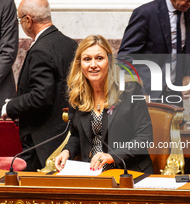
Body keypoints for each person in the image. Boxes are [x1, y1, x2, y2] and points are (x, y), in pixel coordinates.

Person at [55, 35, 153, 173]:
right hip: (91, 172)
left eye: (99, 58)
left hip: (128, 171)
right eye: (87, 59)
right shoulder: (77, 95)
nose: (93, 64)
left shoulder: (130, 90)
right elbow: (76, 135)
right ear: (80, 64)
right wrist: (67, 151)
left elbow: (145, 137)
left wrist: (112, 156)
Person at [2, 0, 78, 171]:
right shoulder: (69, 44)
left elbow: (41, 96)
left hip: (42, 141)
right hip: (66, 135)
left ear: (28, 20)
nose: (20, 24)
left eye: (20, 19)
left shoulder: (41, 49)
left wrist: (10, 107)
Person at [118, 0, 190, 106]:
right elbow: (124, 58)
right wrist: (139, 92)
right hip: (147, 95)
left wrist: (187, 74)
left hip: (174, 93)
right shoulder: (146, 14)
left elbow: (187, 48)